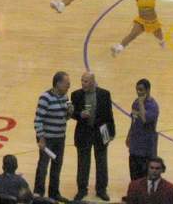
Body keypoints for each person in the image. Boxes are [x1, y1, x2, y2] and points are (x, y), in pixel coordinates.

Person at [71, 72, 115, 201]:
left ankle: (101, 190)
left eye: (86, 81)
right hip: (83, 132)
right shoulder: (76, 95)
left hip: (101, 132)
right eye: (82, 80)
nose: (83, 83)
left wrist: (111, 133)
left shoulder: (105, 94)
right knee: (83, 163)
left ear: (92, 82)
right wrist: (80, 115)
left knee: (102, 162)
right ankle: (81, 190)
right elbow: (71, 113)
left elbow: (109, 115)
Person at [33, 71, 72, 202]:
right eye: (67, 84)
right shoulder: (45, 97)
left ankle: (54, 193)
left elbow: (65, 117)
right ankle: (38, 194)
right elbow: (38, 120)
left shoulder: (65, 97)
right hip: (48, 139)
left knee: (57, 165)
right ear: (58, 83)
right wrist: (41, 138)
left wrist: (69, 113)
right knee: (43, 166)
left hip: (60, 138)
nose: (69, 86)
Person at [127, 78, 159, 181]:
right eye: (137, 89)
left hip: (146, 146)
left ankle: (145, 196)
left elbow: (145, 119)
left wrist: (141, 103)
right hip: (135, 143)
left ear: (148, 90)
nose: (138, 92)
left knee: (145, 175)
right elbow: (133, 120)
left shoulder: (153, 106)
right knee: (133, 172)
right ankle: (134, 195)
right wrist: (129, 135)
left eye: (141, 90)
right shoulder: (135, 103)